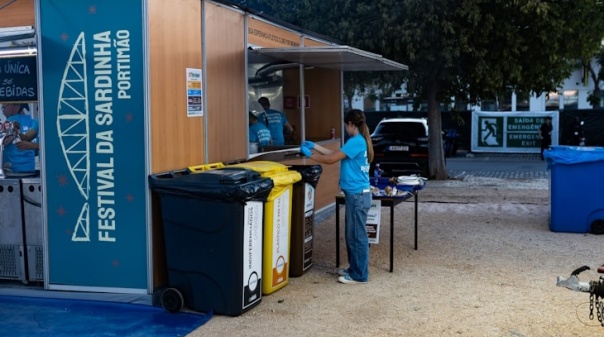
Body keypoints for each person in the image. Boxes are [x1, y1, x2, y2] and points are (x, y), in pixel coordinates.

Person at [299, 109, 373, 285]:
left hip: (357, 196)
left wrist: (310, 155)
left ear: (350, 124)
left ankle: (359, 275)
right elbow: (334, 154)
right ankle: (355, 269)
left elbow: (332, 160)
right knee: (353, 235)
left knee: (356, 236)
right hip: (356, 195)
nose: (345, 128)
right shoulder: (358, 141)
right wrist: (314, 146)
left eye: (345, 125)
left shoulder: (356, 142)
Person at [1, 103, 39, 173]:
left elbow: (3, 143)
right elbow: (27, 139)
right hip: (30, 168)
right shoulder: (33, 121)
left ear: (11, 106)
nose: (2, 111)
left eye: (3, 108)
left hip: (12, 170)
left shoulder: (9, 122)